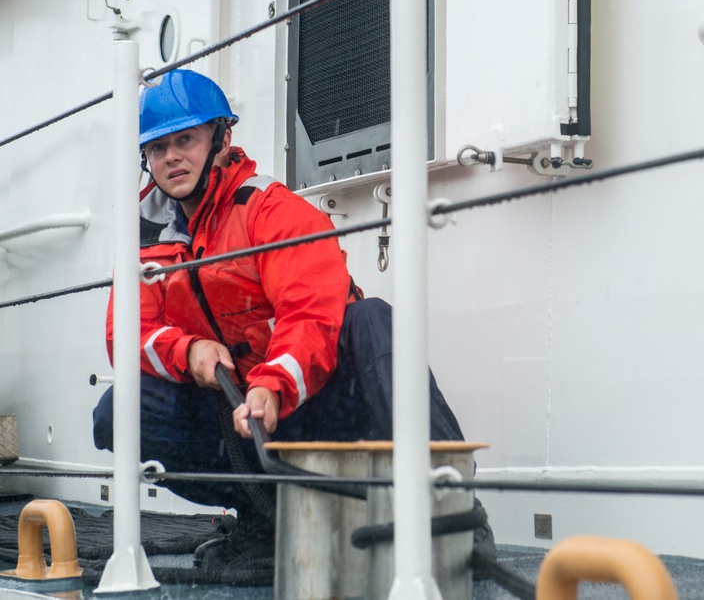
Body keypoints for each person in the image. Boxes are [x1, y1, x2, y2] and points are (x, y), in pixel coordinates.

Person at [91, 69, 493, 583]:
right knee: (117, 411)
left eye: (186, 140)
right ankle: (263, 518)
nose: (172, 157)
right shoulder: (145, 231)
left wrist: (274, 387)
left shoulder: (271, 210)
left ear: (221, 140)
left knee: (371, 321)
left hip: (314, 403)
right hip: (239, 419)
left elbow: (312, 313)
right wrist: (187, 352)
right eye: (158, 146)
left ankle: (454, 508)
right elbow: (126, 332)